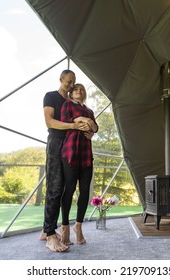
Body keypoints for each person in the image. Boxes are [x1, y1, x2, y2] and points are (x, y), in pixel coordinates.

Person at [41, 70, 92, 252]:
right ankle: (50, 234)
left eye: (74, 83)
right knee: (55, 187)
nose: (71, 85)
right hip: (56, 143)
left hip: (73, 146)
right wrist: (73, 125)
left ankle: (47, 227)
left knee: (64, 187)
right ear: (61, 79)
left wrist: (90, 131)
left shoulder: (72, 102)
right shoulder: (51, 96)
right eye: (68, 82)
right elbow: (49, 122)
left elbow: (89, 122)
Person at [59, 83, 98, 245]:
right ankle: (65, 227)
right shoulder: (67, 104)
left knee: (84, 191)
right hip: (70, 152)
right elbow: (65, 120)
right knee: (69, 189)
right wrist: (81, 119)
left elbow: (95, 128)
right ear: (71, 93)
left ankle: (79, 226)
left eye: (81, 90)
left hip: (86, 153)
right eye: (76, 89)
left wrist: (91, 129)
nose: (79, 91)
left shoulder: (90, 110)